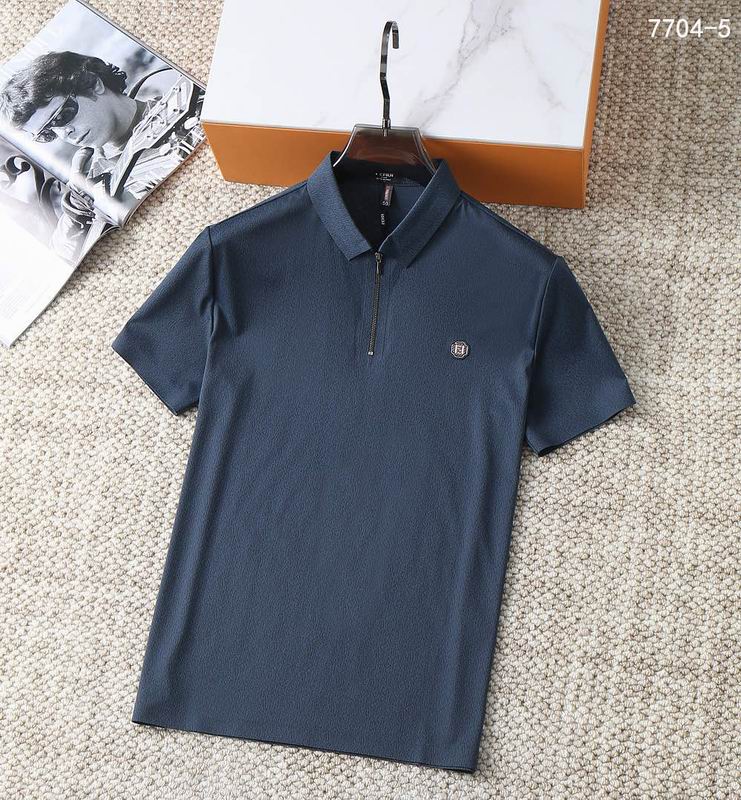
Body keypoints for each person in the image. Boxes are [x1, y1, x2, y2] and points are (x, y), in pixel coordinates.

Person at [0, 51, 203, 261]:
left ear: (94, 84)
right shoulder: (89, 179)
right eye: (47, 134)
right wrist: (75, 211)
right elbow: (59, 258)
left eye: (61, 116)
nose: (64, 134)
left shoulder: (187, 102)